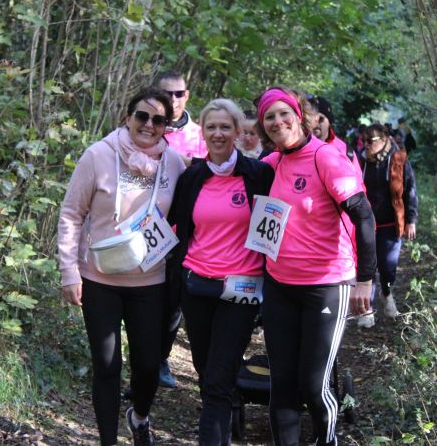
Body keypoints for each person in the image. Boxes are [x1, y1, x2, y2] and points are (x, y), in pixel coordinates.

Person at [58, 87, 185, 445]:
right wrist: (69, 271)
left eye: (158, 120)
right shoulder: (98, 155)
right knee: (107, 365)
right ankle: (108, 441)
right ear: (127, 117)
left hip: (150, 282)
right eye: (142, 116)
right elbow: (71, 214)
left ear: (166, 126)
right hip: (99, 279)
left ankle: (139, 416)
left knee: (148, 365)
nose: (149, 125)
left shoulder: (174, 164)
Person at [256, 87, 377, 446]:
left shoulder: (326, 157)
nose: (278, 122)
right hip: (279, 284)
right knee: (282, 383)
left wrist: (365, 280)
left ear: (299, 116)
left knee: (313, 384)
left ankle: (328, 440)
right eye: (269, 117)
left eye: (284, 113)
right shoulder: (271, 163)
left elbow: (364, 216)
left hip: (326, 285)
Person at [168, 98, 274, 445]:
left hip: (241, 290)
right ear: (202, 132)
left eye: (225, 127)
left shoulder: (258, 175)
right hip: (197, 287)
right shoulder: (191, 177)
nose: (217, 133)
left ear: (238, 132)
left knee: (217, 378)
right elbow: (176, 226)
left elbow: (276, 228)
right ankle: (225, 424)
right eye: (211, 127)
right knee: (207, 373)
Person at [153, 70, 207, 388]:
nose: (172, 99)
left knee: (173, 300)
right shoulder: (146, 125)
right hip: (142, 226)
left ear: (187, 96)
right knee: (143, 297)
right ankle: (140, 362)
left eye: (178, 93)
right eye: (166, 93)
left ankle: (161, 359)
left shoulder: (200, 134)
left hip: (182, 230)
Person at [359, 123, 418, 326]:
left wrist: (411, 220)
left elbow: (410, 189)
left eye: (370, 141)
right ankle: (367, 308)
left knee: (387, 267)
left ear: (384, 140)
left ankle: (386, 292)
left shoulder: (398, 158)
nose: (366, 145)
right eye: (363, 141)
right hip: (365, 224)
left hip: (390, 224)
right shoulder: (360, 160)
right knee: (367, 266)